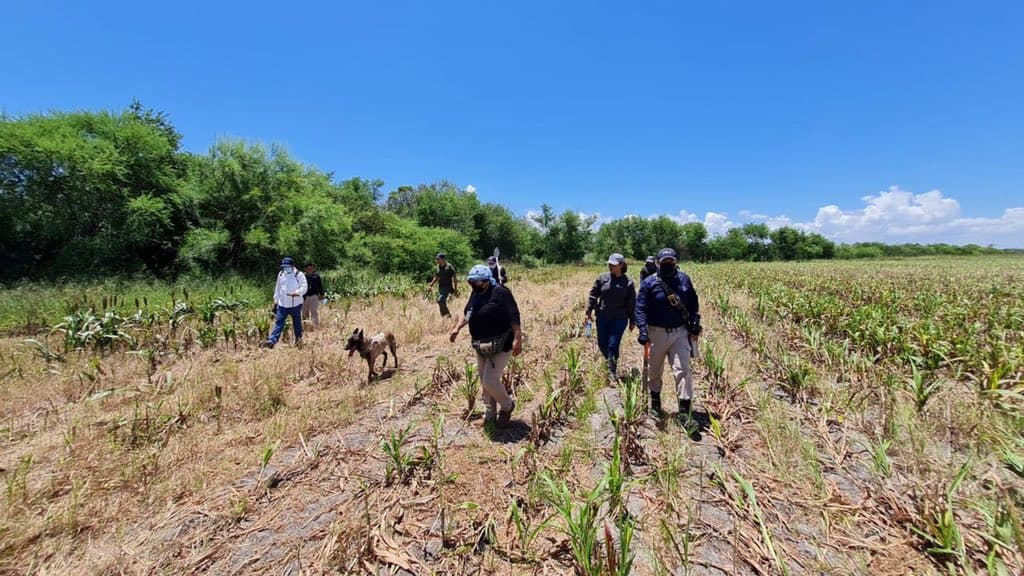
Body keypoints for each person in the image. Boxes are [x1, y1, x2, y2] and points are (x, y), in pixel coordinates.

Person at [449, 264, 523, 428]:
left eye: (476, 282)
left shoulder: (501, 292)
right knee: (484, 382)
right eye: (471, 282)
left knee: (490, 380)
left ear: (486, 281)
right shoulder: (475, 294)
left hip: (502, 343)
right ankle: (489, 416)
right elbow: (468, 313)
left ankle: (507, 406)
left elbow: (514, 314)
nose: (473, 285)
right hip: (481, 345)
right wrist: (457, 328)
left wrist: (518, 338)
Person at [635, 248, 702, 417]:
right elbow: (640, 308)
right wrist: (643, 330)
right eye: (664, 262)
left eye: (671, 261)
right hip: (656, 333)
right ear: (658, 263)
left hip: (679, 332)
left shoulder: (684, 280)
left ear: (676, 262)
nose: (668, 264)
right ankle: (656, 402)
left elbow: (693, 303)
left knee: (683, 369)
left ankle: (685, 410)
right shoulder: (649, 283)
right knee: (654, 370)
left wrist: (695, 322)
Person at [585, 253, 636, 382]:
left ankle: (612, 371)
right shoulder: (602, 279)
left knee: (613, 344)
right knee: (602, 343)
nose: (610, 266)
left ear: (621, 265)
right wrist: (588, 311)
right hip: (602, 316)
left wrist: (632, 320)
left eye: (613, 264)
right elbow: (593, 295)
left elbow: (631, 303)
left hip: (619, 318)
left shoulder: (628, 283)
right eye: (609, 264)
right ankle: (609, 360)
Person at [263, 257, 308, 348]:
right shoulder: (281, 274)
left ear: (292, 266)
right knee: (279, 322)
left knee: (297, 323)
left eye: (287, 266)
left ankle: (298, 340)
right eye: (284, 266)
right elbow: (278, 288)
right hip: (282, 304)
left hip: (295, 304)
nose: (286, 268)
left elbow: (304, 286)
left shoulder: (299, 274)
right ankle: (272, 341)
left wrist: (297, 292)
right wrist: (275, 301)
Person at [428, 253, 458, 317]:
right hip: (441, 287)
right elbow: (436, 277)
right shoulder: (438, 267)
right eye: (436, 259)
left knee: (440, 300)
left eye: (438, 259)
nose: (437, 260)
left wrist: (455, 289)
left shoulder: (449, 266)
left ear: (443, 259)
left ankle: (447, 315)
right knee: (441, 302)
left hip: (448, 287)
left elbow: (454, 278)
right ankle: (445, 316)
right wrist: (431, 285)